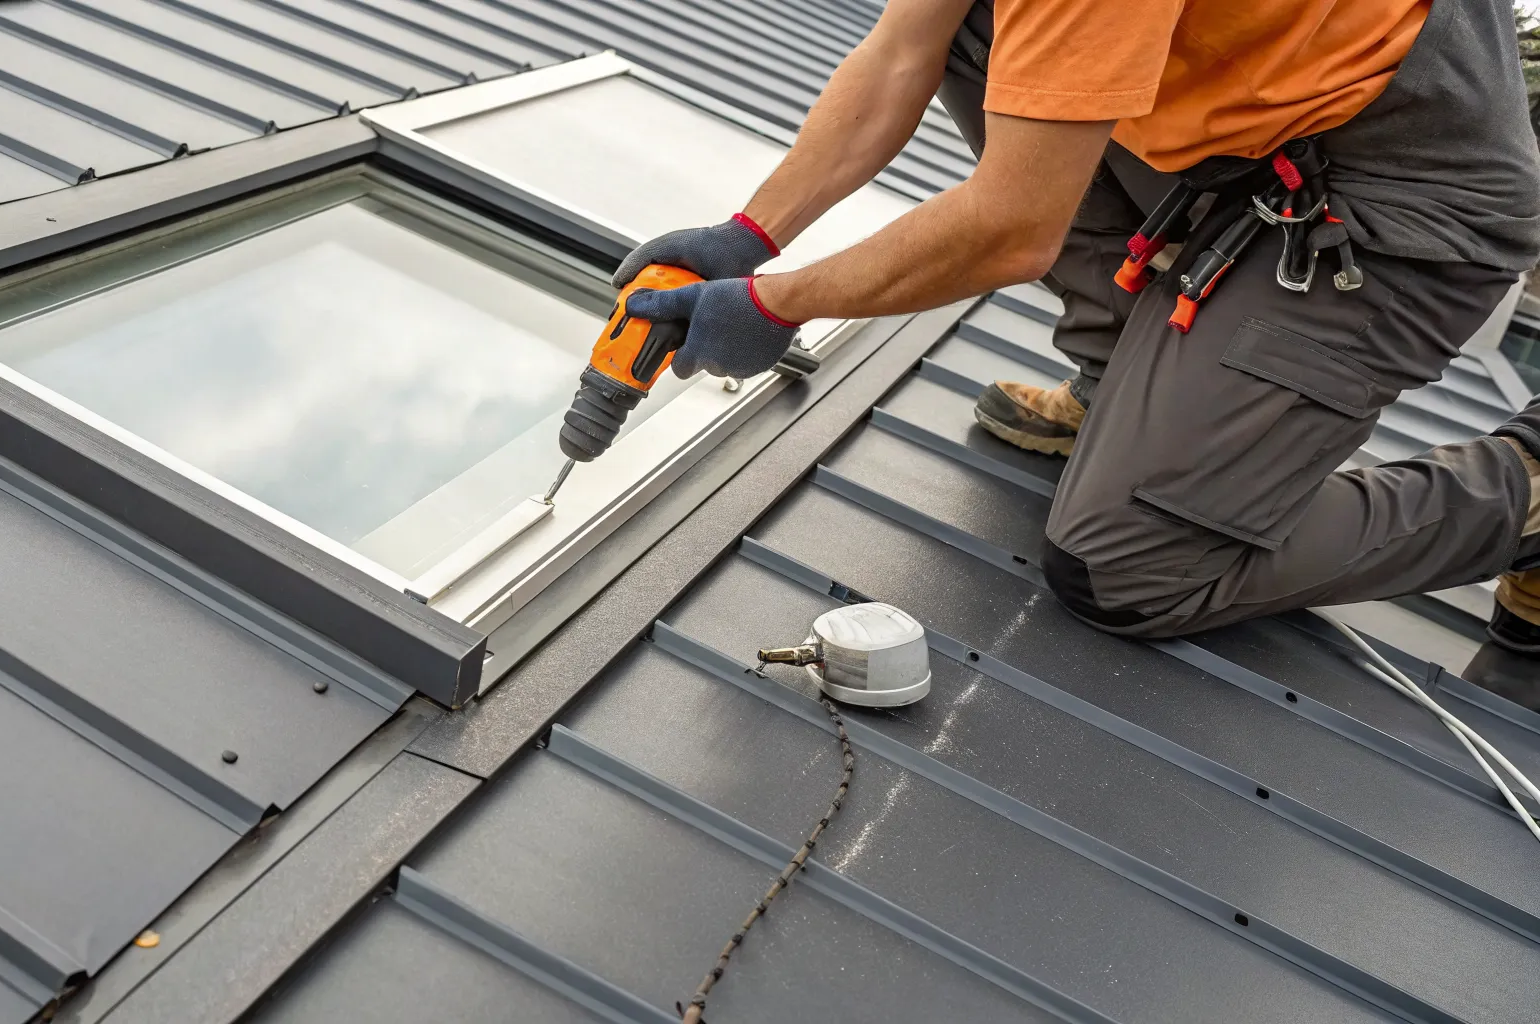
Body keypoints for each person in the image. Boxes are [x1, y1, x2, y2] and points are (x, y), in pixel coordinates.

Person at [614, 0, 1540, 706]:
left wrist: (776, 305)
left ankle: (1523, 493)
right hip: (1250, 148)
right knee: (985, 35)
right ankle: (1129, 404)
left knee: (1130, 568)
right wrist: (749, 234)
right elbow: (906, 49)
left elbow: (1014, 226)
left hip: (1399, 210)